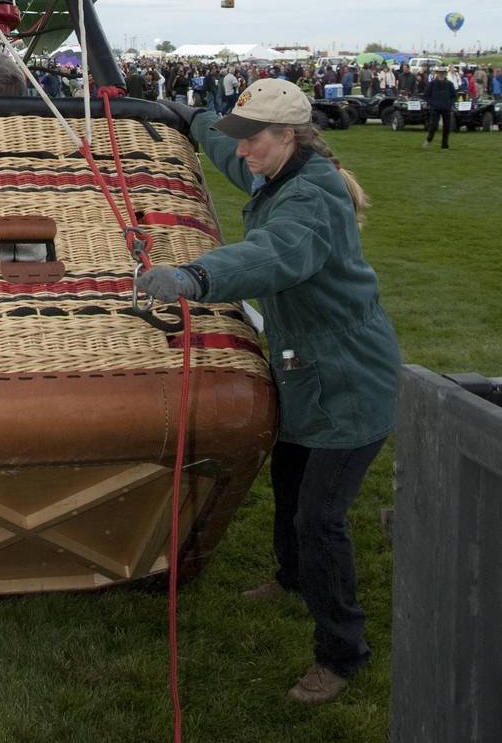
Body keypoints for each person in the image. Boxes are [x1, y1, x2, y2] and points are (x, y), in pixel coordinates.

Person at [139, 78, 399, 706]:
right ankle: (289, 578)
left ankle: (342, 652)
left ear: (287, 136)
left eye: (253, 139)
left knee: (321, 519)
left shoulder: (310, 201)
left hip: (348, 378)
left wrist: (195, 275)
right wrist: (192, 116)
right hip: (305, 368)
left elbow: (268, 255)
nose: (244, 151)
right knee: (287, 478)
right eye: (243, 137)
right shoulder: (274, 166)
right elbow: (228, 153)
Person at [423, 70, 456, 149]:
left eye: (443, 73)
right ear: (437, 74)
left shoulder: (450, 84)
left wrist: (450, 104)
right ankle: (429, 140)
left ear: (445, 74)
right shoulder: (432, 84)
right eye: (439, 73)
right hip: (435, 108)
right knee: (433, 126)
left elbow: (454, 96)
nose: (441, 74)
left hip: (446, 108)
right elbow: (426, 95)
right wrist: (432, 103)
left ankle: (444, 145)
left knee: (447, 127)